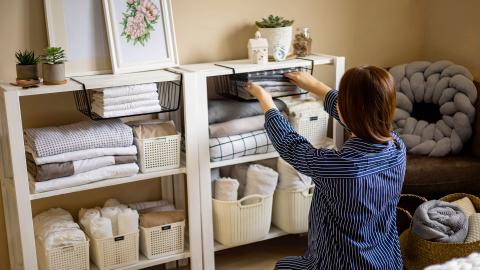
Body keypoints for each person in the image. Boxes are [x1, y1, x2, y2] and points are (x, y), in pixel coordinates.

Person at [246, 66, 406, 270]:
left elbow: (292, 146)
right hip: (386, 262)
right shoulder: (398, 148)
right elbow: (360, 119)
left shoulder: (339, 166)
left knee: (283, 266)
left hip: (335, 265)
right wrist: (317, 87)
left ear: (347, 110)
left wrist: (266, 101)